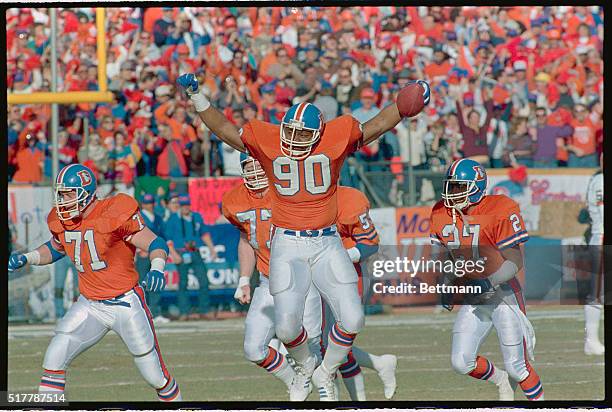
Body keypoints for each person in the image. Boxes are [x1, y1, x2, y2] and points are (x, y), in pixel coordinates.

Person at [177, 72, 429, 400]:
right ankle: (306, 365)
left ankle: (324, 373)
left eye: (302, 133)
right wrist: (198, 99)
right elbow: (225, 130)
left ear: (318, 134)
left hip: (326, 241)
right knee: (285, 329)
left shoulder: (335, 137)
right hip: (287, 242)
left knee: (353, 319)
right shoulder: (267, 139)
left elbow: (376, 126)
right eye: (290, 132)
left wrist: (403, 107)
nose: (294, 139)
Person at [8, 163, 181, 401]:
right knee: (54, 357)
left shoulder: (114, 212)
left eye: (69, 193)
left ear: (86, 193)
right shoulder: (63, 220)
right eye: (61, 194)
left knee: (155, 376)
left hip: (125, 303)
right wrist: (27, 258)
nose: (63, 200)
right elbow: (56, 248)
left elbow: (155, 243)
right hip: (89, 304)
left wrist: (158, 267)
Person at [430, 159, 543, 401]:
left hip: (503, 294)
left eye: (459, 187)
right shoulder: (441, 213)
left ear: (476, 186)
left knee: (518, 367)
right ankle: (500, 380)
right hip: (473, 296)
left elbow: (515, 260)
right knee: (461, 362)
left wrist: (489, 281)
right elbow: (447, 258)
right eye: (451, 186)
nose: (453, 192)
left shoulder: (499, 208)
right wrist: (446, 283)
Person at [222, 154, 322, 398]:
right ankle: (294, 382)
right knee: (253, 349)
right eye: (249, 166)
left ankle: (329, 395)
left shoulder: (287, 191)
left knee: (312, 348)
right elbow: (246, 239)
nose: (255, 172)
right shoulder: (233, 201)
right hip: (268, 280)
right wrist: (244, 279)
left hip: (303, 279)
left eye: (259, 165)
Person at [164, 194, 217, 321]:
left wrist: (211, 248)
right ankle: (184, 311)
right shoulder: (172, 219)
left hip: (195, 252)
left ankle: (204, 310)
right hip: (181, 253)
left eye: (187, 205)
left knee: (203, 280)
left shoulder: (197, 217)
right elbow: (168, 239)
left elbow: (204, 233)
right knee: (183, 283)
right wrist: (173, 254)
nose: (185, 208)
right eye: (182, 205)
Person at [583, 154, 604, 355]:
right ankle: (591, 340)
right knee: (598, 292)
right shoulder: (600, 181)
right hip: (601, 238)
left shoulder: (596, 180)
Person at [137, 194, 167, 323]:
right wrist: (139, 249)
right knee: (142, 284)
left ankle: (155, 311)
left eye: (151, 203)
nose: (149, 205)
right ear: (143, 204)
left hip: (154, 254)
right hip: (142, 255)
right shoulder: (139, 217)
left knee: (155, 282)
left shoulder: (158, 218)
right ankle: (142, 312)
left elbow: (162, 237)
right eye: (147, 203)